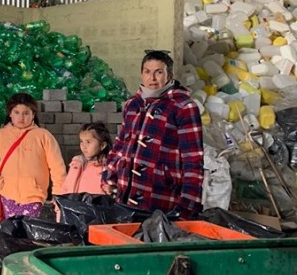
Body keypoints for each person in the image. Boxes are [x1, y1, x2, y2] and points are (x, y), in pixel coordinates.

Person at [102, 50, 204, 219]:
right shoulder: (132, 105)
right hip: (125, 195)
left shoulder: (183, 107)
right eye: (147, 72)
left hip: (161, 196)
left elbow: (193, 159)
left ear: (169, 75)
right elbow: (121, 145)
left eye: (159, 72)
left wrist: (188, 205)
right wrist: (108, 176)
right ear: (142, 74)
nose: (153, 78)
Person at [0, 92, 67, 218]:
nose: (21, 117)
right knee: (11, 233)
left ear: (33, 114)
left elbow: (58, 167)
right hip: (7, 194)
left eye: (26, 113)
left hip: (34, 196)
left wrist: (58, 195)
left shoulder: (43, 136)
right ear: (10, 113)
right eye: (16, 112)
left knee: (28, 232)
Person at [56, 121, 112, 196]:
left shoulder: (107, 167)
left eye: (88, 142)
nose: (83, 146)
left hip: (94, 207)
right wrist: (59, 203)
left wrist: (111, 190)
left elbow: (115, 190)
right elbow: (66, 187)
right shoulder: (76, 163)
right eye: (81, 141)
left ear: (102, 145)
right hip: (73, 206)